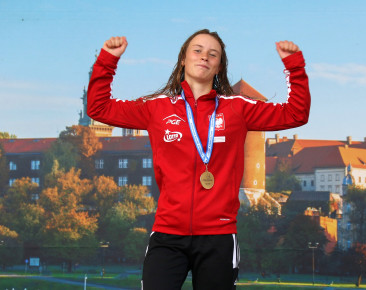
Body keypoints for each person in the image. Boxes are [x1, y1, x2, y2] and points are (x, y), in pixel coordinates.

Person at [87, 29, 310, 290]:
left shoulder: (238, 108)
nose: (204, 56)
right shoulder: (157, 108)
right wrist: (107, 60)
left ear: (219, 66)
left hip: (219, 236)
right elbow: (98, 108)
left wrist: (294, 67)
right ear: (183, 59)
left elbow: (296, 114)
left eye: (212, 54)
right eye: (198, 50)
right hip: (168, 234)